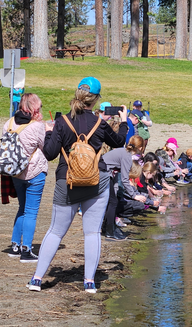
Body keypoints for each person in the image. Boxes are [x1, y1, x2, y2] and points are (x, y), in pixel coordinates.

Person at [26, 76, 128, 294]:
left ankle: (36, 279)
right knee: (91, 233)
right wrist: (125, 121)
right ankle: (89, 282)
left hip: (67, 180)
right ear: (97, 99)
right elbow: (119, 142)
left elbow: (50, 153)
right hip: (97, 180)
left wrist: (51, 132)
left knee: (55, 231)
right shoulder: (100, 123)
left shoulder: (62, 121)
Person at [4, 93, 48, 262]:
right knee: (31, 212)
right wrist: (48, 131)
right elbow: (45, 147)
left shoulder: (8, 123)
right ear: (35, 107)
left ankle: (15, 245)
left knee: (22, 208)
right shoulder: (37, 126)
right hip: (34, 172)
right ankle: (26, 250)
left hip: (15, 172)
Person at [102, 135, 146, 240]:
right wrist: (134, 196)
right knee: (113, 202)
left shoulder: (124, 152)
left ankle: (108, 227)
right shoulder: (127, 156)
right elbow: (125, 179)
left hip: (106, 173)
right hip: (103, 173)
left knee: (112, 201)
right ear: (140, 148)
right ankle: (109, 231)